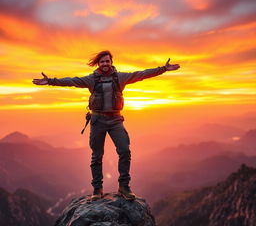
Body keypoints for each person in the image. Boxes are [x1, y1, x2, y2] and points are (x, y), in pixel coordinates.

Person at [32, 50, 180, 201]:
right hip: (98, 120)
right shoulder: (91, 79)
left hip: (116, 120)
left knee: (124, 151)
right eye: (102, 61)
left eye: (107, 61)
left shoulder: (120, 77)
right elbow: (72, 81)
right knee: (97, 156)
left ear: (111, 62)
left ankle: (124, 186)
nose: (105, 64)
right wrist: (50, 81)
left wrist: (162, 69)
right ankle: (97, 188)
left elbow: (141, 74)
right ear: (98, 63)